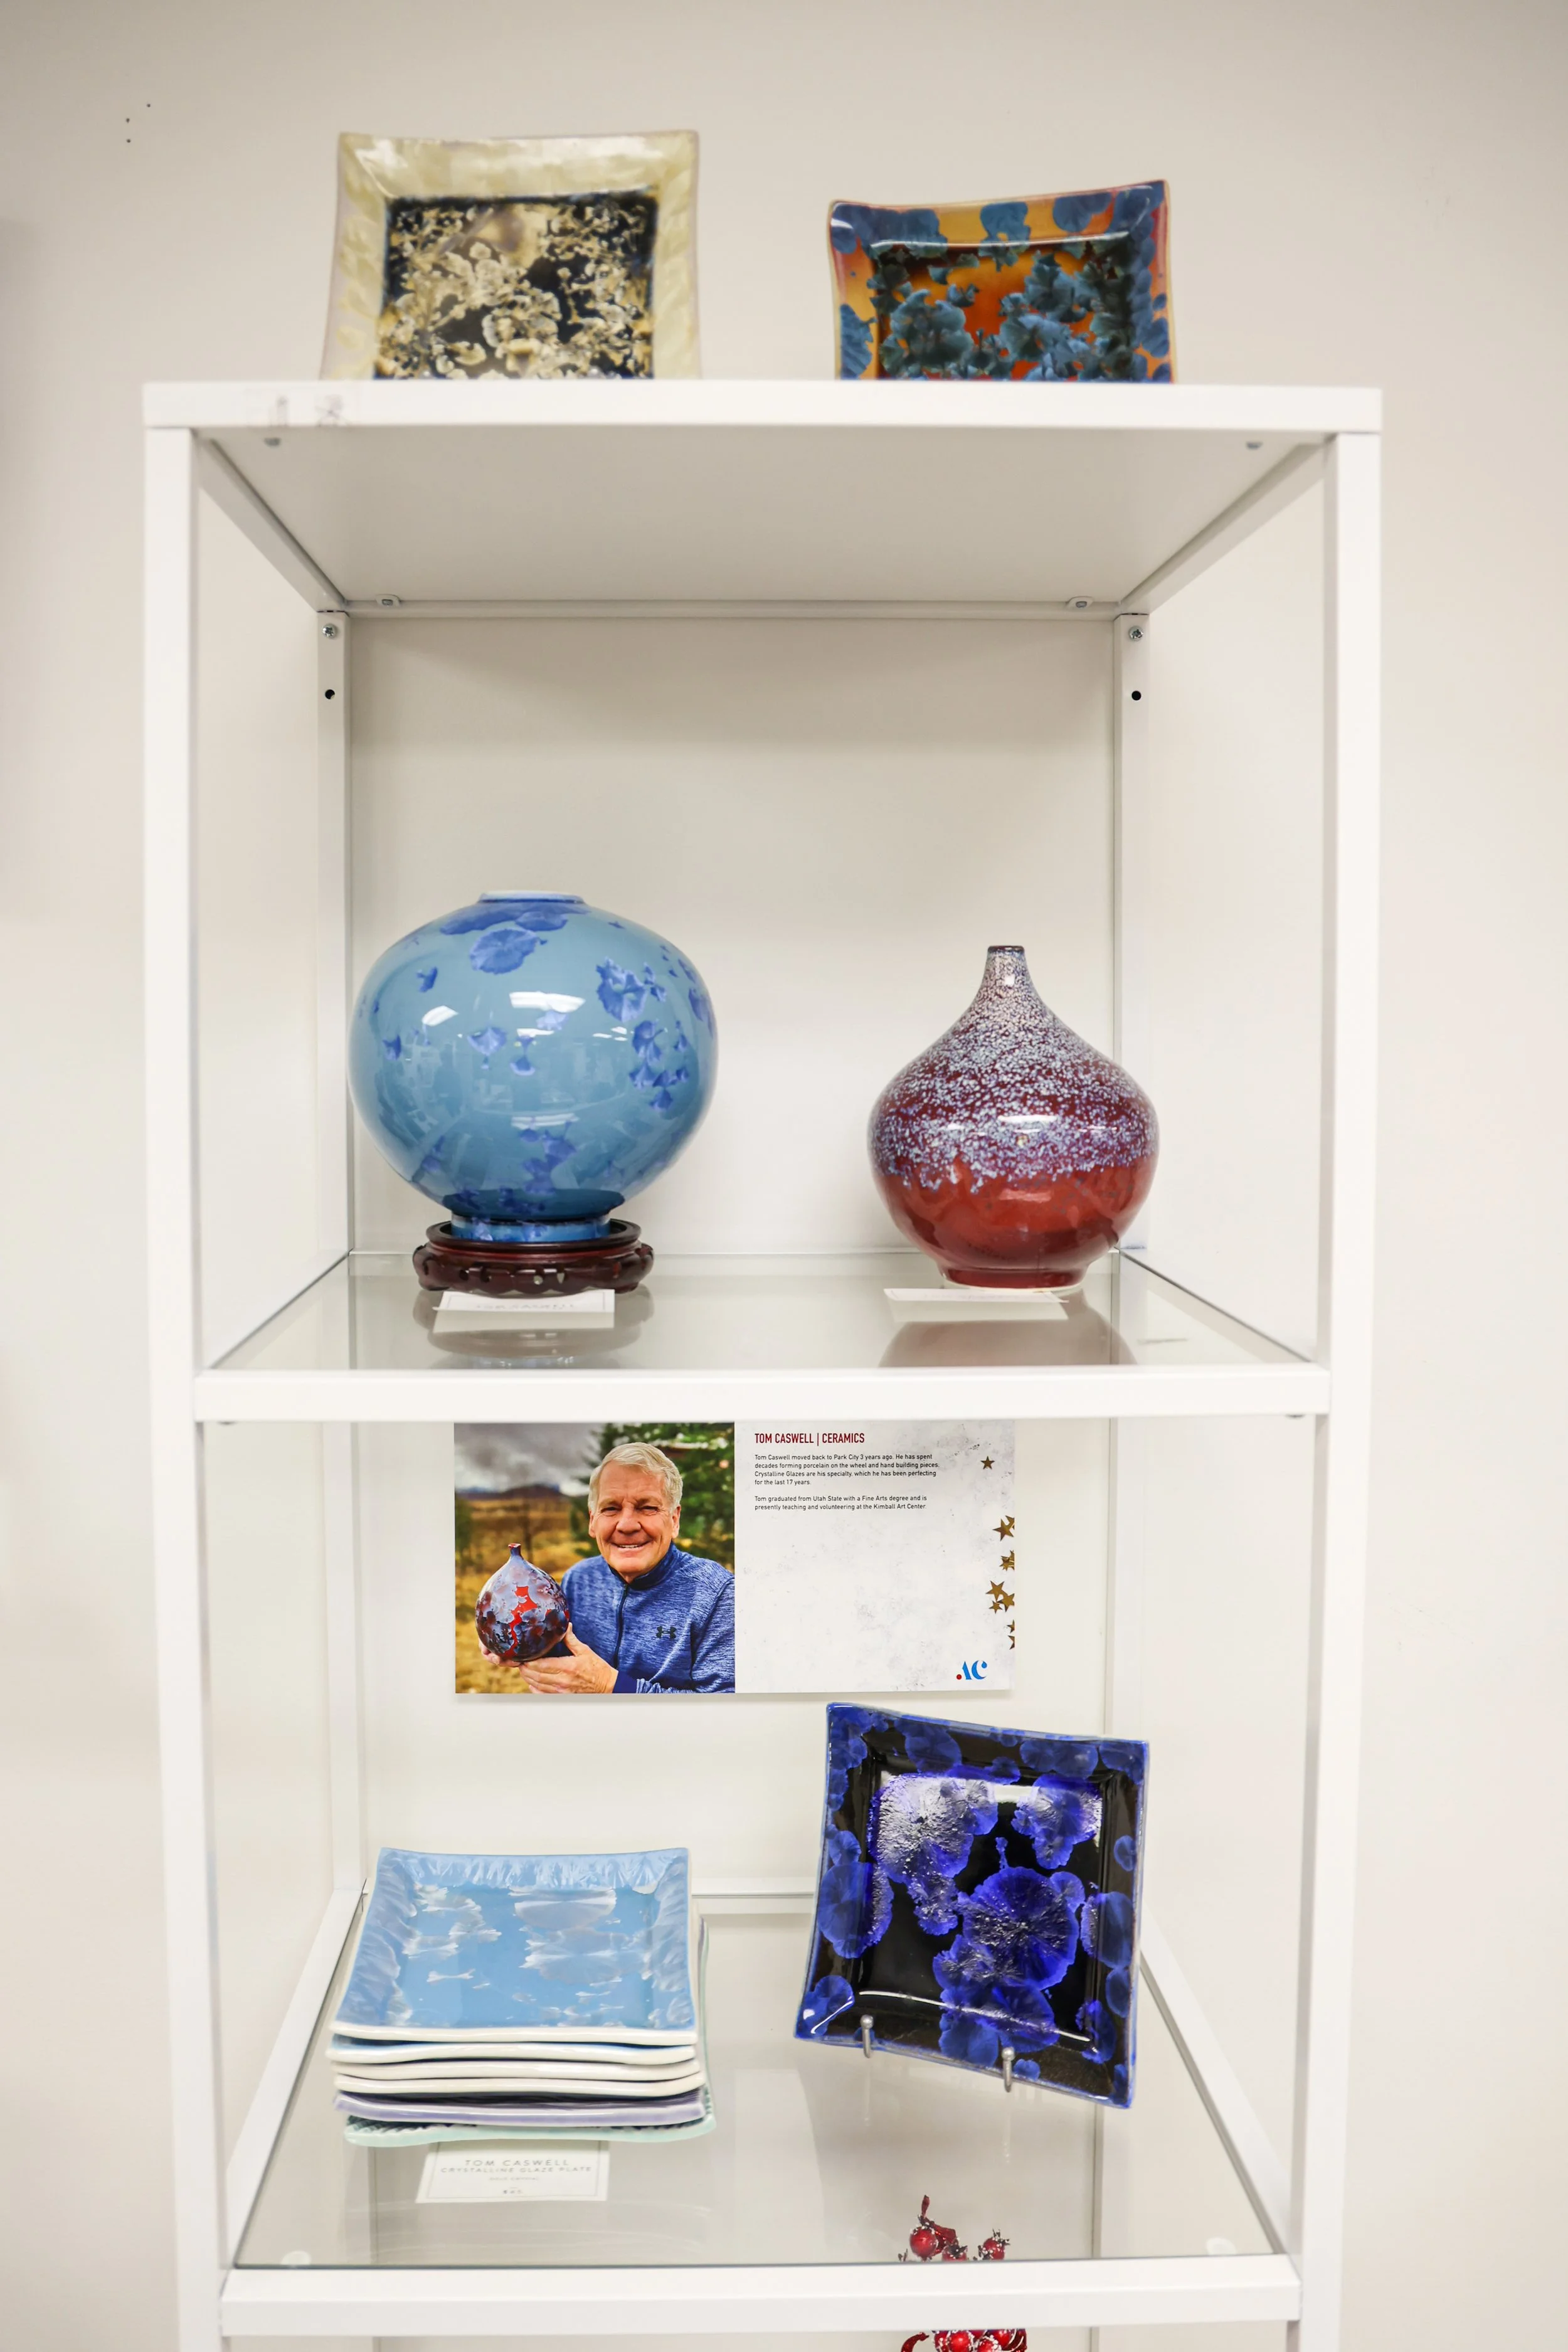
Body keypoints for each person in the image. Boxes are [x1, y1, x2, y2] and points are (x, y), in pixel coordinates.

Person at [517, 1441, 734, 1695]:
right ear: (593, 1522)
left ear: (674, 1520)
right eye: (611, 1508)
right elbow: (560, 1655)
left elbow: (724, 1706)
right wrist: (516, 1642)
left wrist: (610, 1686)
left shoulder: (716, 1595)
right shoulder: (578, 1580)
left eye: (648, 1507)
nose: (627, 1525)